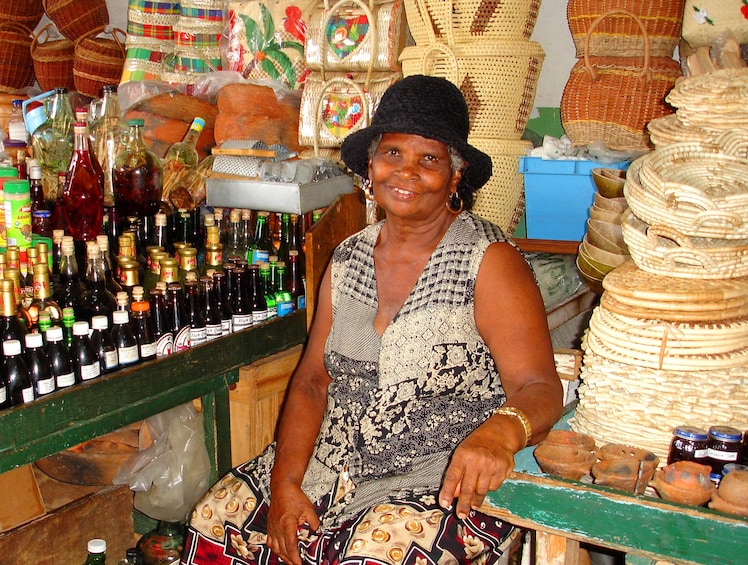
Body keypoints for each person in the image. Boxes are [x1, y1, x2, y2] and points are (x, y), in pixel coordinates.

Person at [181, 75, 564, 565]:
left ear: (455, 175)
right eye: (393, 154)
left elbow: (540, 386)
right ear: (370, 164)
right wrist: (285, 485)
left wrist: (499, 435)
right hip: (332, 466)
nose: (405, 173)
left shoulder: (487, 261)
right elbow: (312, 384)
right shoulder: (348, 258)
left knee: (372, 556)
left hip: (442, 478)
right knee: (215, 517)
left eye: (429, 159)